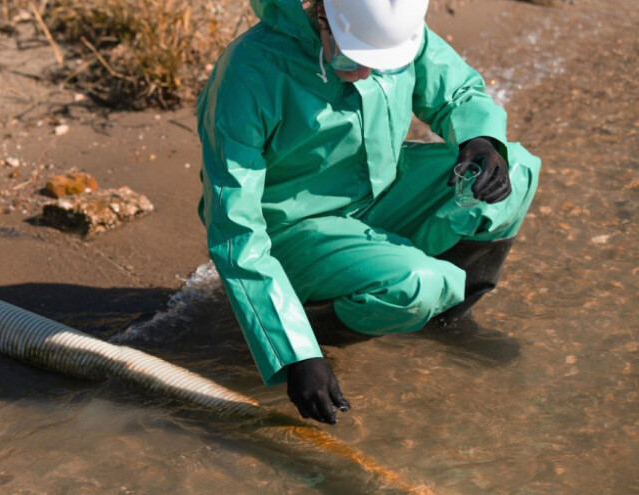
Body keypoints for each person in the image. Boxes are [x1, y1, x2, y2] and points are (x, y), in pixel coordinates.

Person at [196, 0, 540, 425]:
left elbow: (457, 92)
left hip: (382, 194)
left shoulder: (392, 26)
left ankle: (446, 321)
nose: (362, 73)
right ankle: (312, 329)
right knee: (418, 282)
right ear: (322, 13)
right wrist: (296, 354)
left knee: (517, 170)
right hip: (295, 233)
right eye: (349, 57)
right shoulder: (248, 73)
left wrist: (482, 138)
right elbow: (235, 229)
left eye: (380, 65)